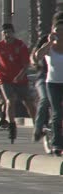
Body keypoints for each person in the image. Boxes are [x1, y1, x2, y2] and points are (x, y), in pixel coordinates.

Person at [0, 23, 36, 143]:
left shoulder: (20, 46)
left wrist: (19, 76)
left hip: (20, 79)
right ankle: (12, 126)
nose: (7, 35)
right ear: (2, 34)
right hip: (4, 79)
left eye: (9, 32)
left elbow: (26, 65)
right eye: (4, 33)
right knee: (10, 100)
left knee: (28, 102)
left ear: (13, 33)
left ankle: (37, 124)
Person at [36, 20, 63, 155]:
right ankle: (57, 144)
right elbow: (37, 57)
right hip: (53, 84)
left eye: (62, 30)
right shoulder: (50, 48)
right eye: (57, 30)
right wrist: (48, 43)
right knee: (57, 113)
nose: (60, 33)